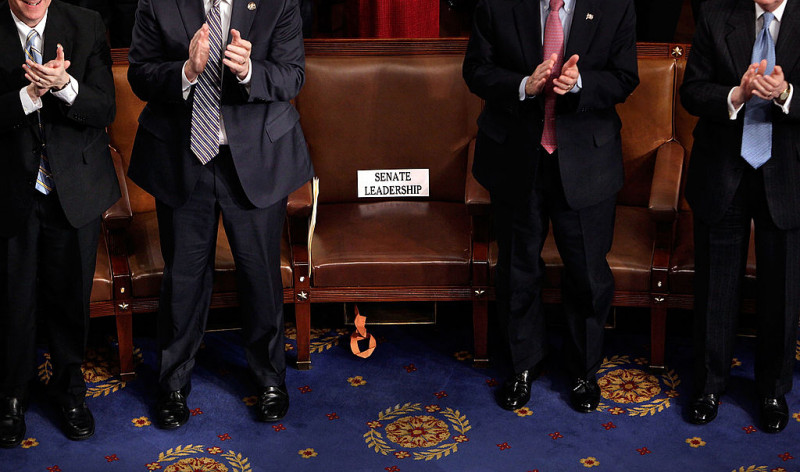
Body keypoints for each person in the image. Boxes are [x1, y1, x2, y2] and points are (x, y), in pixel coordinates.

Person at [127, 0, 313, 429]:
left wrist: (249, 71)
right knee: (184, 277)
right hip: (183, 155)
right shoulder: (157, 2)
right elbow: (140, 74)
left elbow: (292, 75)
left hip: (255, 157)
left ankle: (270, 380)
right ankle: (173, 385)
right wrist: (186, 73)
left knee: (259, 272)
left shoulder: (278, 2)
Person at [462, 0, 638, 412]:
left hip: (587, 160)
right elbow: (476, 70)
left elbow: (625, 77)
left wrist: (579, 84)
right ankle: (524, 364)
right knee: (518, 269)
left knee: (589, 275)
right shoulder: (496, 5)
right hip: (515, 157)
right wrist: (525, 84)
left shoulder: (615, 6)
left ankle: (583, 370)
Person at [0, 0, 118, 447]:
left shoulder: (86, 23)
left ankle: (70, 391)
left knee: (71, 298)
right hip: (12, 189)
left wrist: (66, 85)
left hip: (75, 189)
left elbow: (105, 108)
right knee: (14, 300)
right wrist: (27, 98)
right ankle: (12, 395)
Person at [681, 0, 797, 433]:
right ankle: (709, 385)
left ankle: (772, 390)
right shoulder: (715, 15)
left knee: (782, 290)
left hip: (786, 172)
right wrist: (737, 94)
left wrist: (785, 94)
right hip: (723, 168)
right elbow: (691, 91)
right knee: (715, 286)